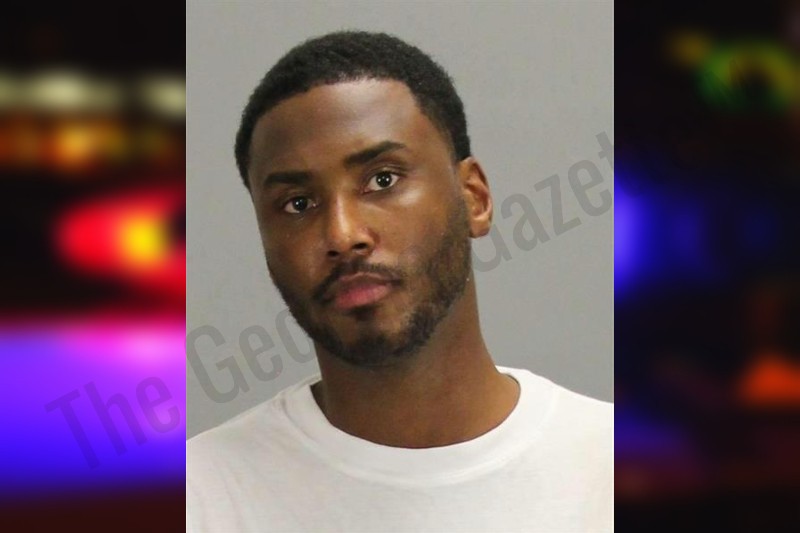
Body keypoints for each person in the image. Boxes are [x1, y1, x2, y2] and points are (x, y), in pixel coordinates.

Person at [187, 31, 612, 532]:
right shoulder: (197, 497)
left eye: (382, 179)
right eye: (298, 204)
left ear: (474, 199)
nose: (343, 235)